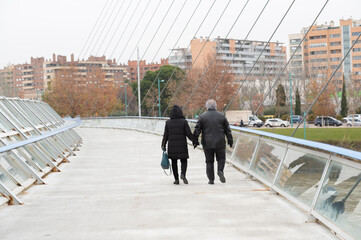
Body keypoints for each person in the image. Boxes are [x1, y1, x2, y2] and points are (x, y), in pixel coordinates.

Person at [193, 99, 233, 184]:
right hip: (220, 142)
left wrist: (195, 141)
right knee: (221, 158)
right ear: (216, 106)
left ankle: (211, 180)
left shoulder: (202, 117)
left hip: (207, 143)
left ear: (206, 106)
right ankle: (220, 171)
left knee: (209, 161)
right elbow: (227, 130)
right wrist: (230, 140)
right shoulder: (222, 116)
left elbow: (197, 130)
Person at [161, 105, 196, 185]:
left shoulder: (168, 122)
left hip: (172, 146)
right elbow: (189, 134)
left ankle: (176, 179)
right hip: (182, 145)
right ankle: (183, 174)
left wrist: (163, 145)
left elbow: (165, 135)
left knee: (174, 162)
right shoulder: (184, 122)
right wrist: (194, 141)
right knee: (184, 160)